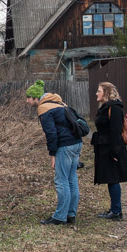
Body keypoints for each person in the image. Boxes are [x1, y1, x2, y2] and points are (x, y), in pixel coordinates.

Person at [24, 80, 82, 226]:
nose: (27, 101)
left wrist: (52, 155)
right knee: (71, 178)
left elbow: (51, 134)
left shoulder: (44, 108)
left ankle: (60, 217)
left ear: (36, 98)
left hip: (65, 146)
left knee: (61, 180)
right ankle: (70, 214)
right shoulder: (59, 103)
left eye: (29, 98)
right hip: (77, 143)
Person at [92, 81, 127, 221]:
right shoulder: (106, 107)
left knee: (113, 179)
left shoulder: (114, 108)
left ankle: (116, 212)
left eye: (99, 90)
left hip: (112, 149)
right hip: (105, 147)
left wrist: (115, 153)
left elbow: (115, 132)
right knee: (110, 179)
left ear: (106, 93)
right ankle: (114, 209)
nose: (96, 93)